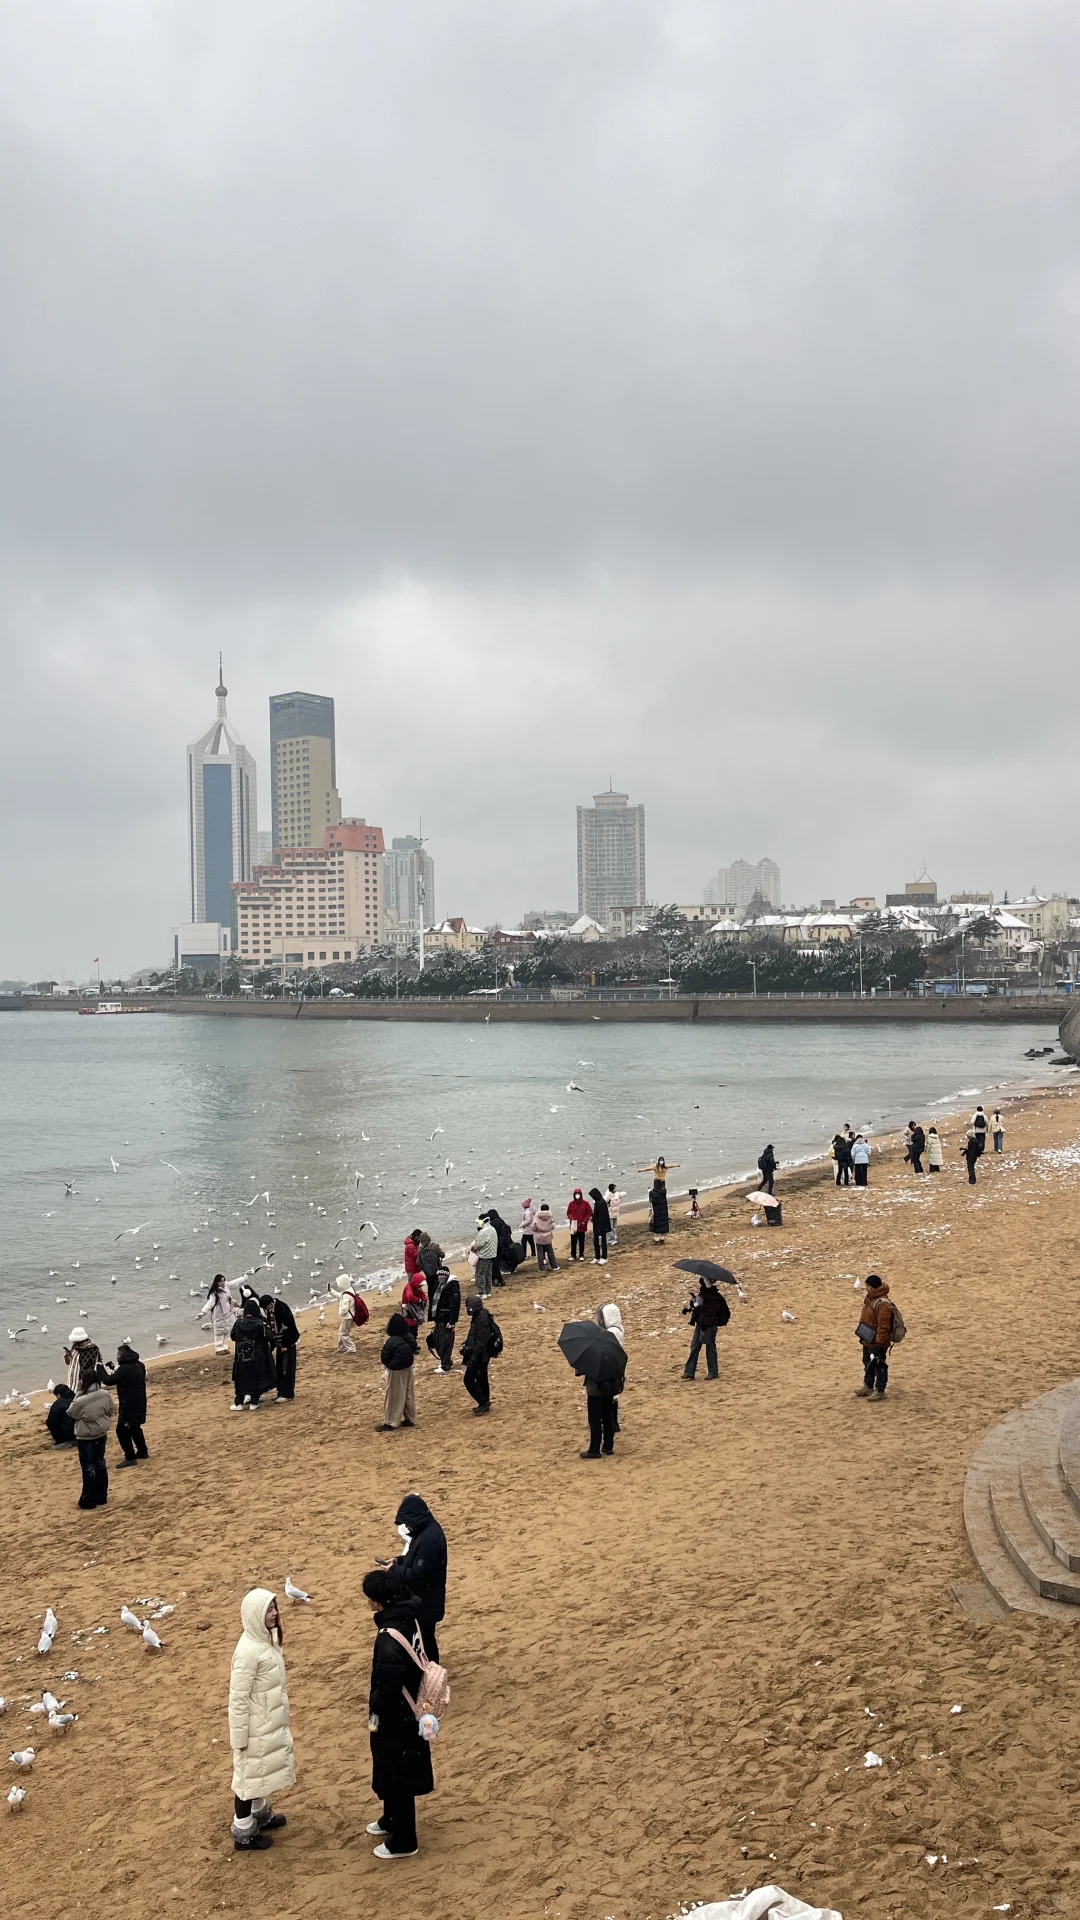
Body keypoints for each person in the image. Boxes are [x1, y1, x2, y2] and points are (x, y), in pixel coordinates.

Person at [362, 1568, 435, 1859]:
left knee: (397, 1773)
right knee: (393, 1769)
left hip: (399, 1715)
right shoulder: (410, 1619)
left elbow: (388, 1687)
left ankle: (404, 1839)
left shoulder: (387, 1639)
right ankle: (390, 1819)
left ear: (379, 1602)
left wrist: (375, 1706)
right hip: (415, 1706)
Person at [228, 1588, 294, 1852]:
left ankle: (260, 1814)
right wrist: (239, 1738)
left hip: (265, 1722)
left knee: (258, 1771)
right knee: (246, 1778)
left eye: (275, 1607)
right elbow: (238, 1699)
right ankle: (243, 1831)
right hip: (254, 1727)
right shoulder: (248, 1652)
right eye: (268, 1609)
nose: (274, 1613)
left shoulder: (266, 1640)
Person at [383, 1495, 448, 1663]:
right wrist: (399, 1561)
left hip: (427, 1600)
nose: (407, 1527)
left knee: (426, 1640)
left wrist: (395, 1570)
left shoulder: (429, 1539)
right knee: (424, 1638)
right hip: (426, 1598)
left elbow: (417, 1575)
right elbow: (416, 1560)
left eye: (408, 1522)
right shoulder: (424, 1532)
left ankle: (432, 1672)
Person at [577, 1308, 627, 1458]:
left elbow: (583, 1369)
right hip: (609, 1386)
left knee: (595, 1419)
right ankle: (608, 1446)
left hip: (595, 1388)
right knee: (607, 1416)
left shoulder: (592, 1346)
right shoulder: (612, 1342)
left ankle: (594, 1449)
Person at [68, 1367, 115, 1509]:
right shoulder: (105, 1394)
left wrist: (79, 1393)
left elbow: (71, 1412)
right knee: (100, 1463)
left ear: (83, 1381)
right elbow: (112, 1410)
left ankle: (88, 1499)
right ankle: (102, 1496)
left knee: (88, 1467)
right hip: (101, 1433)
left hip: (86, 1436)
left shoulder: (80, 1400)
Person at [102, 1342, 148, 1465]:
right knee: (135, 1427)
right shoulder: (139, 1365)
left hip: (129, 1404)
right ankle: (142, 1451)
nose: (116, 1357)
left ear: (121, 1355)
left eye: (117, 1354)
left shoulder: (125, 1369)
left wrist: (99, 1368)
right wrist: (114, 1369)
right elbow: (126, 1378)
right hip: (140, 1401)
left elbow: (108, 1380)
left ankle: (130, 1457)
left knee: (121, 1430)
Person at [229, 1298, 276, 1410]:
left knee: (241, 1379)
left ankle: (239, 1403)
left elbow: (233, 1337)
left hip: (241, 1358)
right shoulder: (260, 1324)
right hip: (257, 1357)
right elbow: (269, 1337)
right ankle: (254, 1402)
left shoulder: (238, 1324)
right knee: (256, 1378)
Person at [854, 1274, 895, 1400]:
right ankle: (868, 1386)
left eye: (867, 1286)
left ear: (873, 1287)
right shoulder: (870, 1299)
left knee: (879, 1364)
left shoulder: (882, 1304)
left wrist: (879, 1343)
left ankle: (880, 1391)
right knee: (867, 1362)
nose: (866, 1288)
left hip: (877, 1340)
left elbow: (883, 1326)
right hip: (868, 1338)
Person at [681, 1276, 728, 1381]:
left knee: (709, 1347)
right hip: (701, 1323)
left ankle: (713, 1372)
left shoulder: (714, 1296)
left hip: (709, 1325)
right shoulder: (705, 1293)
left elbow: (710, 1310)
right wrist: (693, 1304)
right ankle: (689, 1372)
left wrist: (698, 1306)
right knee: (695, 1346)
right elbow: (700, 1308)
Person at [377, 1313, 418, 1431]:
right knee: (408, 1394)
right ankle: (410, 1418)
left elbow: (384, 1358)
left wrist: (389, 1366)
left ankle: (390, 1422)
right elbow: (414, 1349)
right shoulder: (409, 1337)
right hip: (408, 1369)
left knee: (393, 1396)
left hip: (395, 1371)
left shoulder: (390, 1342)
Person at [461, 1293, 497, 1415]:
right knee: (482, 1378)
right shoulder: (481, 1317)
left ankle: (483, 1402)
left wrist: (473, 1357)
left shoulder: (480, 1320)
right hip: (482, 1354)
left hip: (480, 1355)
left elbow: (480, 1341)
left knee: (468, 1380)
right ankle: (484, 1401)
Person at [262, 1294, 300, 1401]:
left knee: (287, 1368)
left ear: (270, 1304)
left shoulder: (282, 1309)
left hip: (288, 1344)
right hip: (279, 1344)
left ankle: (288, 1394)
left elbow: (289, 1328)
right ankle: (281, 1391)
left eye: (266, 1307)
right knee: (279, 1368)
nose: (266, 1310)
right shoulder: (270, 1311)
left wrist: (285, 1345)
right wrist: (273, 1345)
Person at [428, 1267, 461, 1373]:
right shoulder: (438, 1285)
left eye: (443, 1275)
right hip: (438, 1318)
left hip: (447, 1319)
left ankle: (446, 1365)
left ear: (447, 1275)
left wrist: (452, 1321)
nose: (441, 1277)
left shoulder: (452, 1286)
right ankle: (445, 1362)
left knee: (446, 1342)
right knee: (438, 1341)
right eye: (439, 1275)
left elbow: (455, 1305)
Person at [200, 1275, 236, 1355]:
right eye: (221, 1281)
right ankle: (219, 1348)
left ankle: (224, 1346)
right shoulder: (215, 1293)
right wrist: (203, 1312)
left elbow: (234, 1282)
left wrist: (243, 1278)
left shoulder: (226, 1288)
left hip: (227, 1312)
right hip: (219, 1314)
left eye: (223, 1280)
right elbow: (210, 1303)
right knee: (219, 1331)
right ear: (217, 1282)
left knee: (226, 1330)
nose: (222, 1283)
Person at [64, 1328, 104, 1395]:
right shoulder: (75, 1347)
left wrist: (83, 1382)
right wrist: (68, 1355)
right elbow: (69, 1362)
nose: (73, 1342)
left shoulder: (91, 1348)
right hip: (73, 1380)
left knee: (82, 1399)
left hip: (83, 1382)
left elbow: (89, 1367)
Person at [470, 1215, 497, 1298]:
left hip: (484, 1255)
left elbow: (478, 1244)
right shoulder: (492, 1229)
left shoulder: (484, 1231)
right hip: (491, 1254)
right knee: (488, 1274)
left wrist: (473, 1248)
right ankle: (488, 1292)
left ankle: (482, 1293)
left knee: (479, 1274)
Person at [45, 1382, 76, 1448]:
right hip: (81, 1432)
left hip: (66, 1435)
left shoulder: (57, 1404)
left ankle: (63, 1441)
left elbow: (51, 1422)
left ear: (58, 1395)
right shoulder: (77, 1399)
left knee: (51, 1422)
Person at [532, 1202, 559, 1272]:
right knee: (550, 1252)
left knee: (540, 1253)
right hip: (547, 1236)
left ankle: (541, 1268)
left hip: (539, 1236)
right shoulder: (550, 1216)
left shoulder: (537, 1217)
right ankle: (554, 1266)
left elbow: (533, 1227)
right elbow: (553, 1226)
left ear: (541, 1210)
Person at [587, 1187, 611, 1263]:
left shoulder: (601, 1203)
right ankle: (597, 1257)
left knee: (603, 1242)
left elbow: (603, 1217)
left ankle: (604, 1257)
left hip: (602, 1227)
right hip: (596, 1226)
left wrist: (601, 1228)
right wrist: (593, 1218)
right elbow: (597, 1215)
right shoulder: (597, 1202)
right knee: (596, 1241)